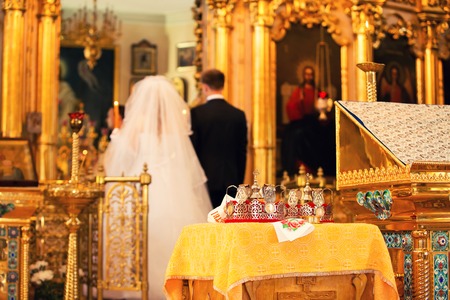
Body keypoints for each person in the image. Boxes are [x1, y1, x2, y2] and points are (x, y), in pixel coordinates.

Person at [103, 76, 212, 299]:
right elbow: (184, 159)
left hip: (143, 181)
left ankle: (139, 283)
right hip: (172, 182)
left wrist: (116, 136)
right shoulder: (175, 126)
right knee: (175, 229)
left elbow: (124, 155)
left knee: (138, 230)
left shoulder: (139, 124)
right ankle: (178, 285)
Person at [190, 69, 248, 209]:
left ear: (204, 87)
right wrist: (238, 179)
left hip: (205, 178)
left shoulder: (197, 114)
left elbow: (193, 149)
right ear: (223, 86)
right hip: (231, 178)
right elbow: (242, 151)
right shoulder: (238, 115)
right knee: (227, 222)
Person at [281, 64, 336, 177]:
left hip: (315, 122)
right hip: (302, 121)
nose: (309, 76)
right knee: (294, 135)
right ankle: (299, 167)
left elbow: (324, 104)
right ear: (303, 75)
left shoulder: (318, 91)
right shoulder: (299, 91)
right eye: (307, 74)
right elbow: (291, 106)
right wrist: (299, 103)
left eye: (311, 74)